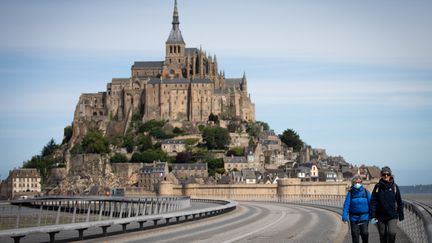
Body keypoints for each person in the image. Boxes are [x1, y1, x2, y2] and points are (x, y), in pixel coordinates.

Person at [370, 166, 404, 243]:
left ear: (390, 175)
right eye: (384, 174)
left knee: (392, 233)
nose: (386, 176)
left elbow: (399, 201)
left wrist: (401, 214)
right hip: (380, 216)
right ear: (381, 175)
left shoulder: (395, 187)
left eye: (387, 174)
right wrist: (372, 216)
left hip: (392, 215)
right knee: (382, 235)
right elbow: (373, 201)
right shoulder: (378, 187)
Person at [342, 174, 371, 243]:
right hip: (353, 218)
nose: (357, 184)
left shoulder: (366, 192)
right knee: (355, 235)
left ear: (361, 183)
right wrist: (344, 216)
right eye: (356, 182)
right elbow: (346, 205)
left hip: (364, 217)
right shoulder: (350, 193)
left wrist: (373, 216)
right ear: (353, 183)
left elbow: (371, 204)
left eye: (359, 182)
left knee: (365, 233)